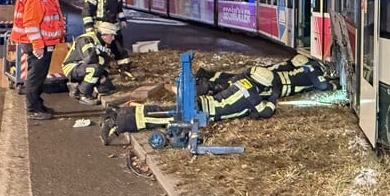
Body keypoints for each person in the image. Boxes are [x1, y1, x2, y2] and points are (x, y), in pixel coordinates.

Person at [100, 55, 332, 144]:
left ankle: (117, 115)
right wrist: (272, 98)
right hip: (207, 111)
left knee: (163, 113)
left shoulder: (244, 84)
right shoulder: (253, 94)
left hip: (205, 104)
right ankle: (118, 121)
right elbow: (265, 111)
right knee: (162, 116)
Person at [10, 0, 66, 120]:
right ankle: (33, 108)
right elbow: (31, 24)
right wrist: (38, 46)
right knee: (35, 76)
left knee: (38, 76)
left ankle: (37, 104)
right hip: (37, 43)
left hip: (38, 42)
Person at [82, 0, 131, 72]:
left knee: (119, 49)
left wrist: (122, 19)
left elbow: (119, 7)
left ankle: (125, 69)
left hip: (114, 26)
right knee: (100, 50)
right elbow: (87, 11)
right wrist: (89, 27)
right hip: (100, 27)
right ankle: (102, 71)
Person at [61, 21, 121, 105]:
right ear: (104, 35)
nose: (113, 38)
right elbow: (89, 59)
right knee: (95, 69)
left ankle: (81, 87)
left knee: (108, 88)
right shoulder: (86, 39)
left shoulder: (102, 43)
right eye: (112, 35)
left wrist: (104, 73)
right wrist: (100, 70)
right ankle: (82, 94)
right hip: (73, 67)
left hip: (85, 67)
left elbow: (103, 61)